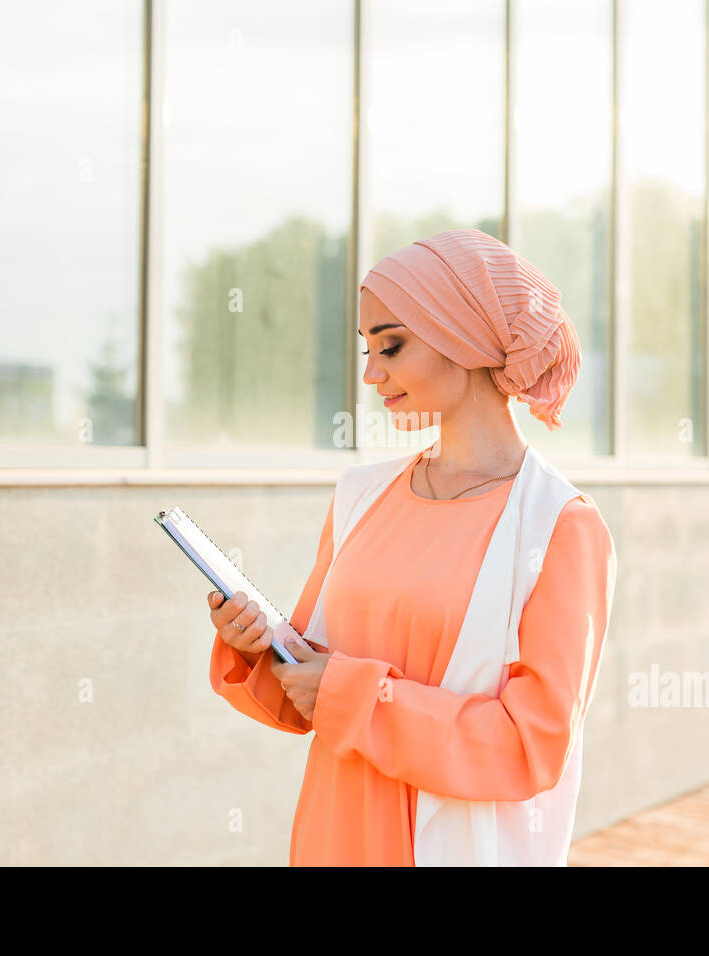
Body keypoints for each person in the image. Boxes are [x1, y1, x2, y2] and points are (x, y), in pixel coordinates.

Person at [206, 227, 616, 866]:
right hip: (332, 837)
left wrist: (353, 696)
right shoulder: (359, 495)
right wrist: (257, 645)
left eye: (391, 346)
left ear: (463, 336)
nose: (371, 373)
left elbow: (533, 745)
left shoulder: (558, 525)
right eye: (366, 349)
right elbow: (310, 685)